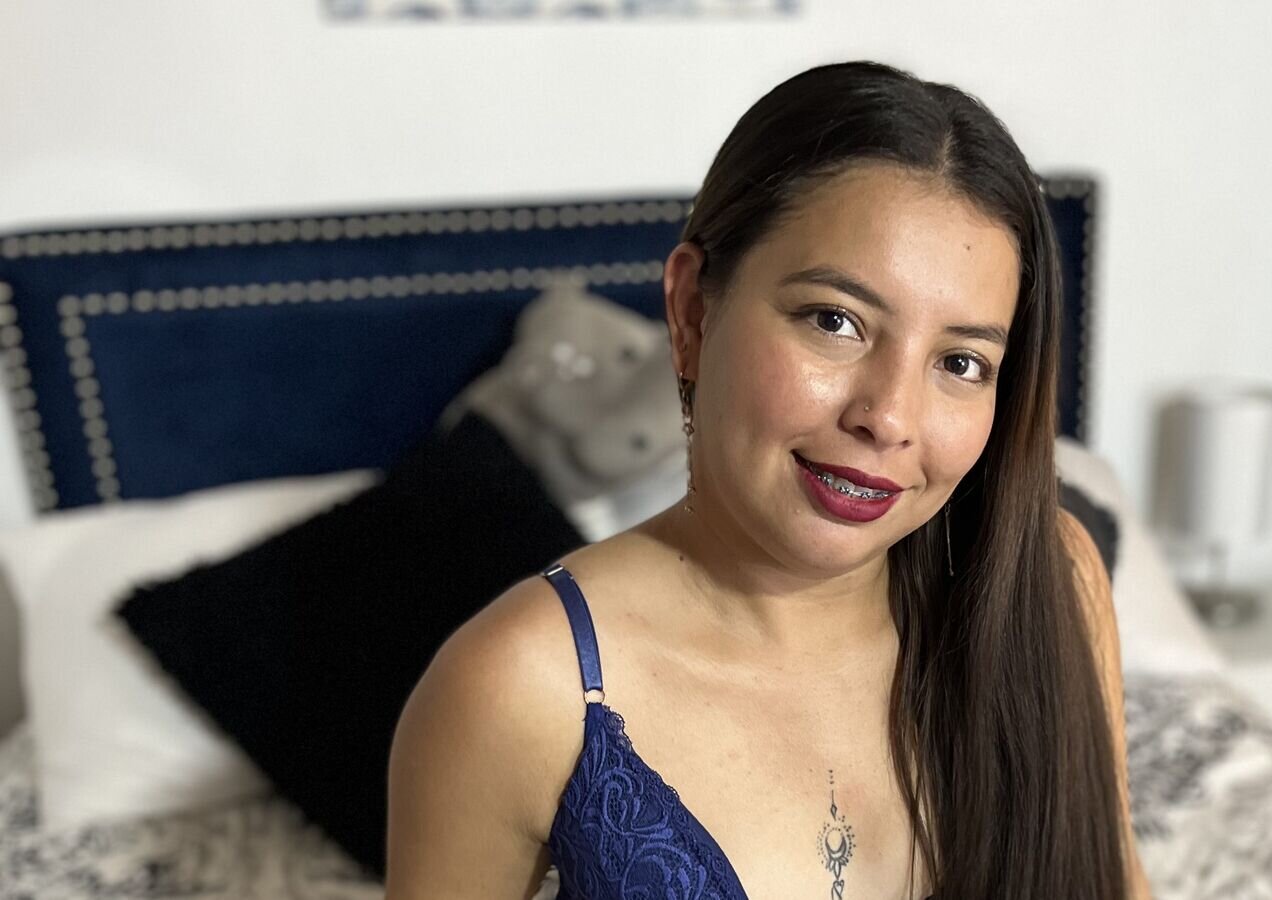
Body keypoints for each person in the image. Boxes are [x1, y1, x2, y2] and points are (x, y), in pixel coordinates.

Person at [385, 60, 1151, 899]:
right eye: (836, 321)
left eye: (961, 362)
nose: (888, 417)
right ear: (692, 312)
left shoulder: (1050, 589)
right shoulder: (521, 684)